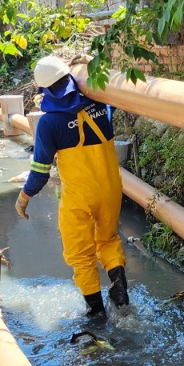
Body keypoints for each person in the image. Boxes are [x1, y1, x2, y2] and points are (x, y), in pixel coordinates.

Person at [15, 55, 129, 322]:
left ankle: (96, 312)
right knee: (108, 240)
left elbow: (41, 173)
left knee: (80, 255)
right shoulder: (102, 103)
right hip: (111, 189)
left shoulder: (49, 123)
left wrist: (23, 198)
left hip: (79, 198)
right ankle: (120, 288)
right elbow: (114, 85)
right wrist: (91, 63)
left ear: (45, 91)